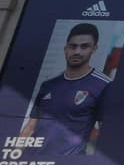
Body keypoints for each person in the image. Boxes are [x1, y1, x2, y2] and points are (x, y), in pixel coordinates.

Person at [19, 22, 111, 155]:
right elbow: (30, 127)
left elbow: (107, 134)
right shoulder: (48, 85)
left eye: (84, 46)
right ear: (65, 48)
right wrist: (13, 157)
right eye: (73, 46)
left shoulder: (104, 85)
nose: (77, 51)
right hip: (34, 164)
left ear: (94, 49)